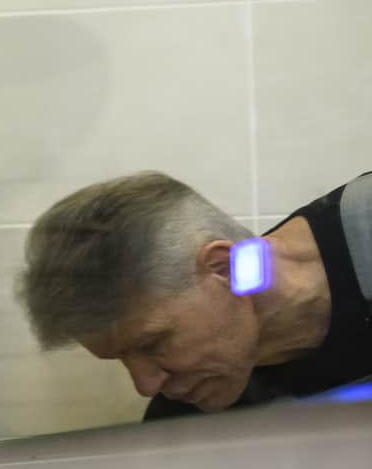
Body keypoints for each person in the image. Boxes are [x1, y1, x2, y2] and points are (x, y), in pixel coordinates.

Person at [18, 171, 372, 418]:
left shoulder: (364, 225)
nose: (145, 384)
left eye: (151, 343)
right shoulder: (186, 415)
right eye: (120, 359)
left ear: (223, 268)